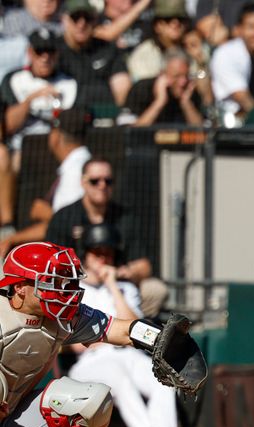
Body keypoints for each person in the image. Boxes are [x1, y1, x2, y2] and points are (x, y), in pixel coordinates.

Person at [0, 241, 175, 427]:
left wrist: (160, 340)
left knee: (93, 399)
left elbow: (118, 329)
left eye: (64, 282)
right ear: (19, 287)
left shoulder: (63, 317)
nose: (63, 291)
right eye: (52, 283)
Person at [66, 223, 191, 427]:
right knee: (120, 379)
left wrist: (113, 285)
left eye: (107, 252)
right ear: (86, 255)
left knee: (162, 374)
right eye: (97, 252)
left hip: (128, 353)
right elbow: (79, 343)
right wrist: (114, 338)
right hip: (92, 360)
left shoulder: (124, 288)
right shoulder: (75, 287)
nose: (103, 258)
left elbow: (137, 330)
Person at [45, 157, 167, 318]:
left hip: (119, 283)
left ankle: (141, 333)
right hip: (76, 284)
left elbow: (144, 266)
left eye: (108, 181)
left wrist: (118, 273)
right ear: (83, 182)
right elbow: (51, 264)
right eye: (95, 181)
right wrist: (86, 274)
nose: (102, 186)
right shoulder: (65, 217)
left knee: (156, 289)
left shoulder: (125, 217)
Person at [0, 28, 78, 236]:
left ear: (57, 54)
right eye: (39, 52)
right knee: (7, 159)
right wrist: (31, 100)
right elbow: (6, 126)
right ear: (30, 53)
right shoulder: (14, 80)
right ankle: (7, 226)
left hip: (57, 144)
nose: (45, 58)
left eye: (50, 52)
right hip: (22, 146)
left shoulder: (69, 83)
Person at [0, 107, 92, 259]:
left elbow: (68, 224)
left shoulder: (76, 172)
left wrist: (46, 213)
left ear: (55, 136)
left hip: (69, 258)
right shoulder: (78, 163)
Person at [55, 0, 132, 107]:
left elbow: (121, 85)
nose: (81, 24)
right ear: (64, 20)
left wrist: (119, 113)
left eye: (87, 18)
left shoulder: (107, 48)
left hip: (104, 113)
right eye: (75, 18)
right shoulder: (54, 51)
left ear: (95, 21)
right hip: (68, 116)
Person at [124, 49, 204, 126]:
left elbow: (202, 133)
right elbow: (131, 132)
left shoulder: (190, 92)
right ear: (162, 74)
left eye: (186, 76)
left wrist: (186, 104)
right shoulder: (141, 89)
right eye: (176, 76)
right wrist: (159, 101)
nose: (183, 82)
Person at [126, 0, 190, 83]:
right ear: (157, 26)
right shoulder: (143, 55)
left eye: (180, 19)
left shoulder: (191, 49)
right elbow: (143, 91)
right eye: (168, 19)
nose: (176, 23)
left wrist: (201, 63)